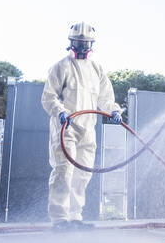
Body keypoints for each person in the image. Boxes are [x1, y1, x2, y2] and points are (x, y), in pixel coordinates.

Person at [41, 22, 123, 230]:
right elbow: (48, 97)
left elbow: (106, 97)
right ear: (70, 42)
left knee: (82, 175)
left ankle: (75, 217)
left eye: (85, 43)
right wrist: (60, 111)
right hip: (65, 128)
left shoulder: (96, 69)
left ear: (91, 44)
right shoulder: (61, 67)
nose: (81, 46)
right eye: (78, 42)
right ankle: (60, 219)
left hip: (88, 131)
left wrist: (113, 110)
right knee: (63, 171)